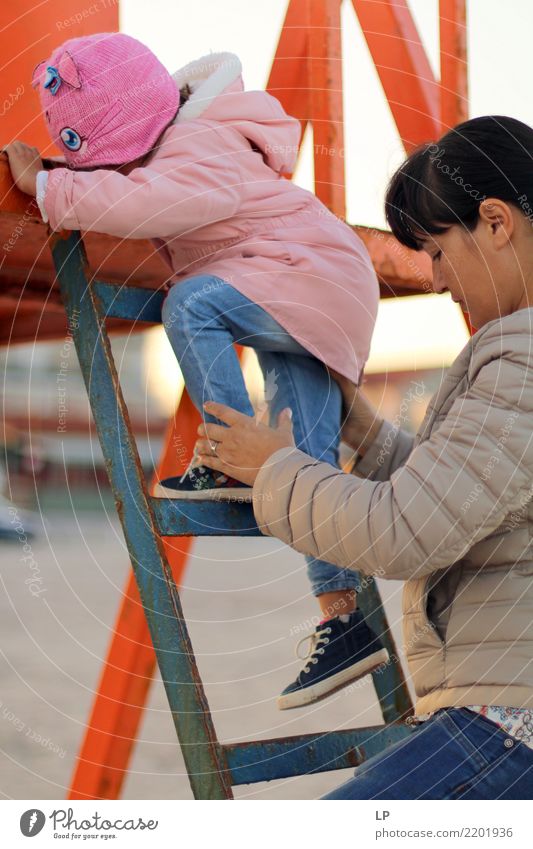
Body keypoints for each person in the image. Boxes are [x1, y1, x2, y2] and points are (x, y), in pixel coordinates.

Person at [3, 32, 389, 710]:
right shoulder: (184, 145)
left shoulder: (196, 143)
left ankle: (226, 457)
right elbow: (142, 191)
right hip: (311, 287)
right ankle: (344, 620)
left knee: (192, 304)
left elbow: (151, 203)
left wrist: (49, 184)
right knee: (308, 470)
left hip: (306, 278)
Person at [192, 115, 533, 799]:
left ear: (495, 223)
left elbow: (403, 531)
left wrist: (272, 468)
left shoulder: (519, 358)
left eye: (436, 251)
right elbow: (464, 494)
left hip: (508, 722)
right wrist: (362, 429)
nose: (435, 280)